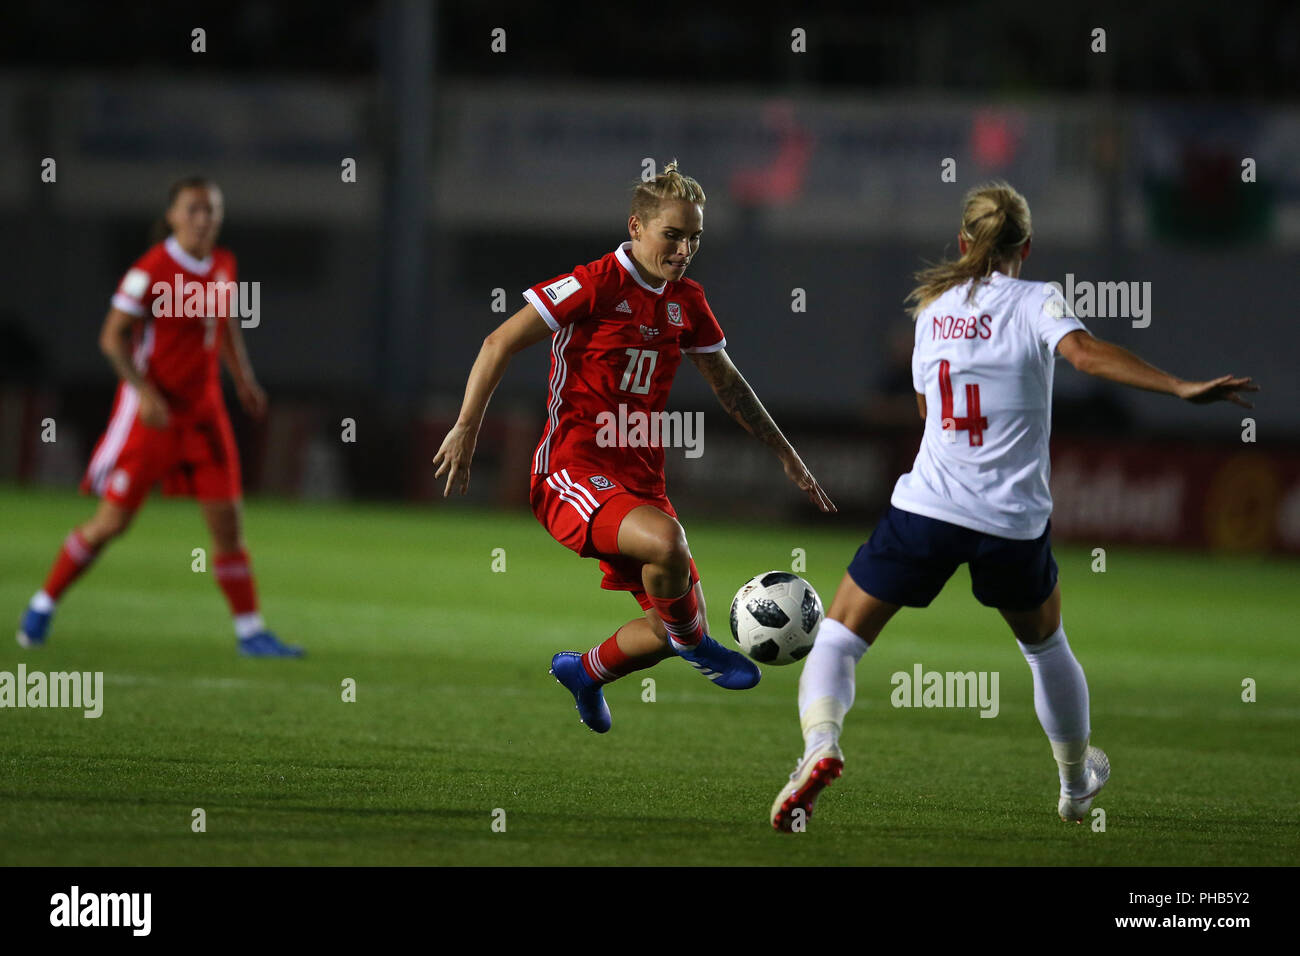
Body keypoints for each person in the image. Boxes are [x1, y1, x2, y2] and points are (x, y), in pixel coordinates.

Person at [771, 181, 1256, 830]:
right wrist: (1179, 386)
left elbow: (926, 413)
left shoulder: (932, 306)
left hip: (929, 509)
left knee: (840, 634)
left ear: (966, 242)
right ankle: (1076, 783)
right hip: (1011, 522)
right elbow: (1083, 354)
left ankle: (821, 745)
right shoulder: (1037, 301)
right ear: (1027, 246)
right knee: (1046, 647)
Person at [434, 161, 835, 732]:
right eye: (673, 234)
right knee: (671, 556)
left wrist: (785, 452)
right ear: (637, 227)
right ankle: (700, 647)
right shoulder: (595, 282)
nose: (684, 249)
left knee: (663, 627)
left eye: (694, 237)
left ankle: (585, 672)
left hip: (641, 481)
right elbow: (498, 341)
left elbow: (728, 384)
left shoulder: (686, 301)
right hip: (571, 472)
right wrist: (468, 426)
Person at [16, 177, 302, 658]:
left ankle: (251, 632)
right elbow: (111, 337)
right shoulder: (150, 270)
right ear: (171, 216)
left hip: (205, 414)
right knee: (111, 523)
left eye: (211, 210)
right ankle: (43, 605)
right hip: (155, 416)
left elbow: (226, 325)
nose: (203, 218)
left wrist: (244, 379)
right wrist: (144, 393)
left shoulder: (224, 265)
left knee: (228, 524)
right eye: (193, 209)